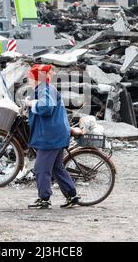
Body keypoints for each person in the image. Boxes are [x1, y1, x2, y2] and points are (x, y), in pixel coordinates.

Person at [25, 64, 80, 209]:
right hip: (57, 134)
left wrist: (31, 103)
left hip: (50, 137)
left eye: (31, 78)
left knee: (41, 168)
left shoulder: (44, 89)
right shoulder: (46, 88)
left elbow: (45, 108)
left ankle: (44, 199)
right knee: (57, 167)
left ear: (37, 79)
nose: (29, 81)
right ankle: (71, 195)